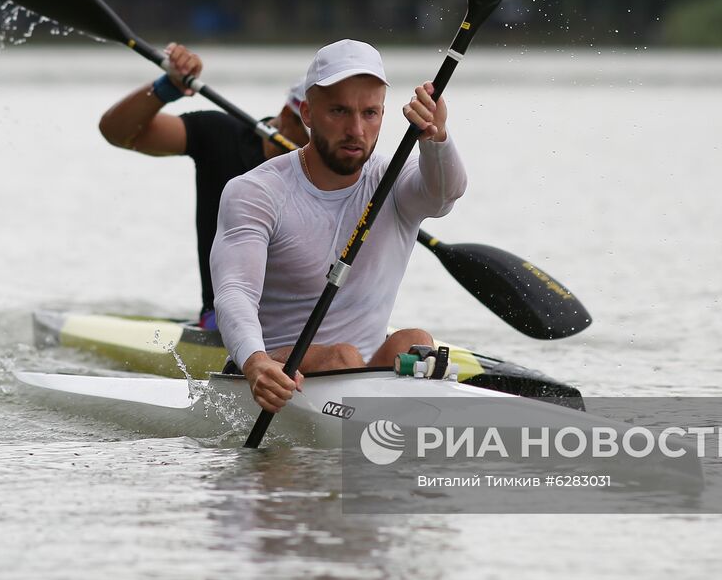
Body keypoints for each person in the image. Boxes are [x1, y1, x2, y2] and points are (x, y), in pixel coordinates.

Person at [210, 39, 467, 412]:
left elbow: (445, 195)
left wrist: (437, 139)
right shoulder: (255, 191)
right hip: (275, 377)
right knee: (341, 357)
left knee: (413, 340)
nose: (356, 130)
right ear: (308, 113)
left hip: (361, 375)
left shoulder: (393, 181)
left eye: (370, 113)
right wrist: (254, 362)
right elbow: (234, 292)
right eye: (339, 111)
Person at [98, 43, 310, 329]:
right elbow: (118, 132)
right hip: (227, 318)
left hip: (309, 321)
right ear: (288, 117)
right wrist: (166, 88)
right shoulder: (221, 136)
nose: (325, 145)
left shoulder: (345, 168)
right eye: (315, 133)